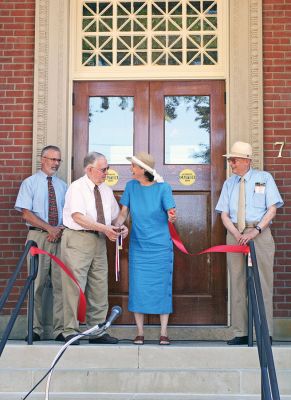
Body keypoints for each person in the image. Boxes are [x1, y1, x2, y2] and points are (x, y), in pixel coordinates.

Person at [215, 141, 284, 345]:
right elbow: (224, 214)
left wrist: (256, 231)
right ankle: (241, 331)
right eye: (230, 160)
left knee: (262, 282)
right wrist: (236, 233)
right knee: (237, 282)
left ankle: (264, 332)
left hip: (259, 233)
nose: (231, 164)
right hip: (235, 234)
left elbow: (272, 209)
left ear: (246, 160)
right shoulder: (229, 183)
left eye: (234, 160)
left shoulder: (264, 178)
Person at [61, 152, 128, 345]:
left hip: (99, 240)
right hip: (78, 239)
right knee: (75, 286)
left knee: (99, 285)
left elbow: (115, 217)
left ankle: (97, 331)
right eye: (103, 169)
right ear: (89, 169)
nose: (106, 172)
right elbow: (78, 217)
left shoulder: (106, 190)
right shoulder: (77, 187)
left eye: (107, 168)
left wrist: (120, 226)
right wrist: (106, 228)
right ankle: (70, 331)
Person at [114, 152, 176, 345]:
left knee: (162, 287)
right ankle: (139, 332)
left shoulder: (163, 188)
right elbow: (124, 213)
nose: (131, 169)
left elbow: (171, 213)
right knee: (138, 287)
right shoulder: (131, 186)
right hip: (139, 246)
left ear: (143, 169)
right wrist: (115, 226)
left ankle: (163, 332)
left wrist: (172, 217)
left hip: (160, 247)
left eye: (133, 166)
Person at [15, 145, 67, 341]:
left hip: (59, 238)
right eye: (52, 159)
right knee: (35, 283)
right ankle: (34, 329)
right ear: (42, 159)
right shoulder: (29, 183)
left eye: (58, 160)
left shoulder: (63, 186)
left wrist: (58, 229)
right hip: (37, 238)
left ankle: (59, 330)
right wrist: (49, 228)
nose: (55, 163)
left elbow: (68, 213)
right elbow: (26, 213)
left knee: (61, 285)